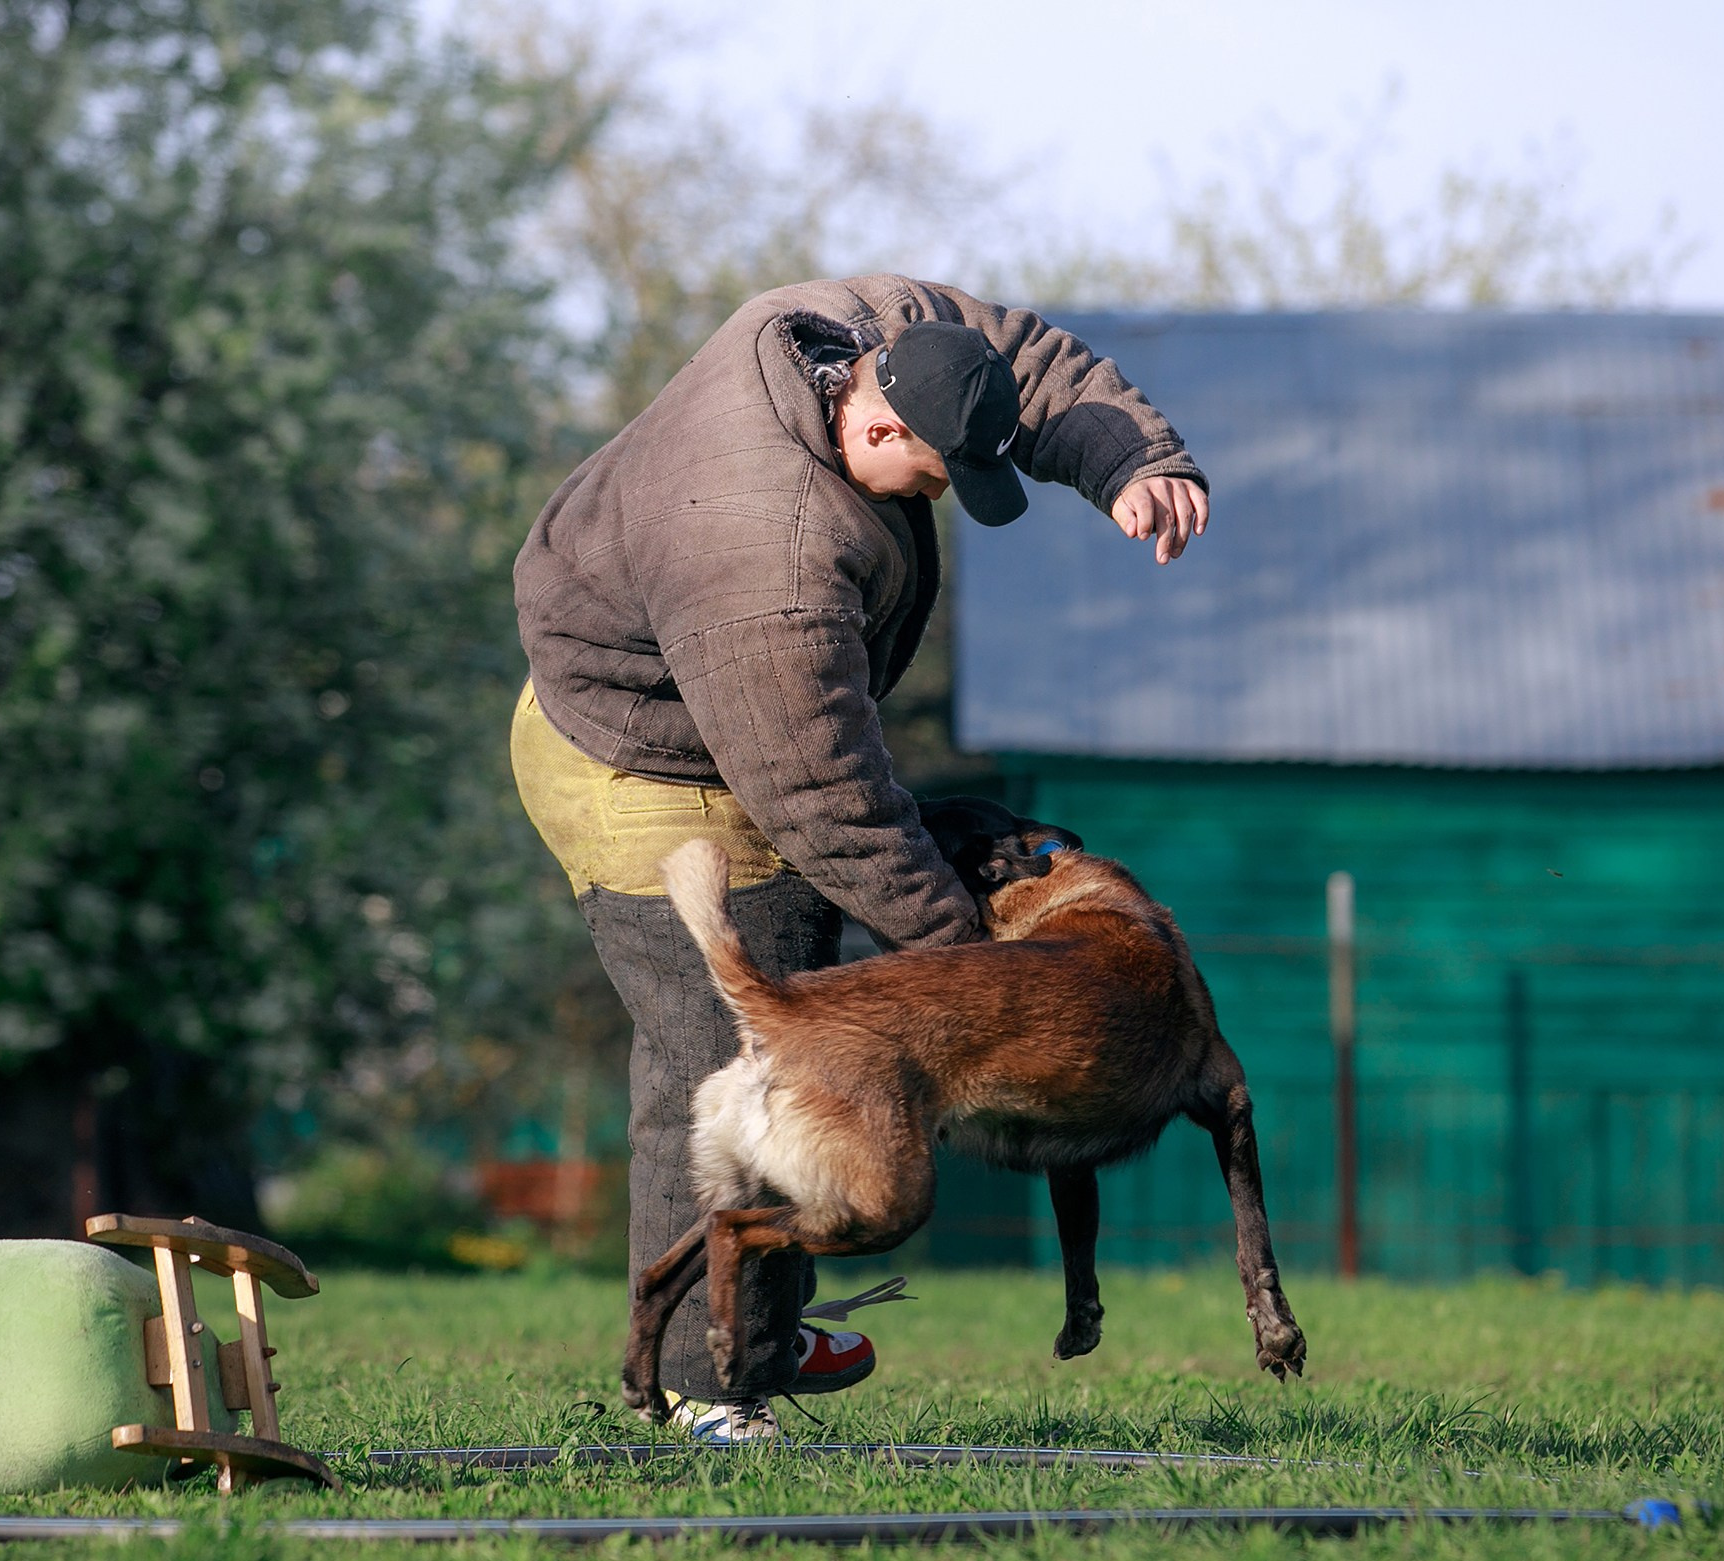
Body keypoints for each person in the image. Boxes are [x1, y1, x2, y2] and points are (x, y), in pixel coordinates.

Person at [511, 275, 1208, 1440]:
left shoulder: (863, 326)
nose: (940, 492)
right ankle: (709, 1384)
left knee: (828, 1002)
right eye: (933, 473)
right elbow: (827, 801)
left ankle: (769, 1320)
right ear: (875, 425)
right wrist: (973, 981)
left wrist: (1130, 459)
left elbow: (1014, 356)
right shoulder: (763, 549)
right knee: (743, 1026)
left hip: (742, 716)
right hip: (640, 752)